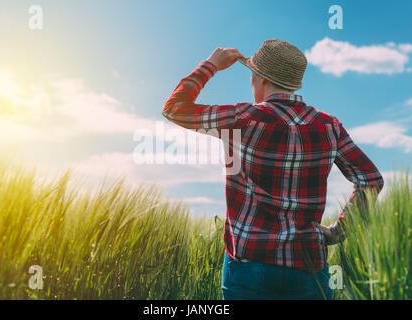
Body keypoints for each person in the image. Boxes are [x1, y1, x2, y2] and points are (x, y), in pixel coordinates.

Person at [162, 39, 384, 300]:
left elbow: (175, 109)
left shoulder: (243, 118)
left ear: (259, 77)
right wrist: (337, 232)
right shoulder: (329, 127)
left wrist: (210, 65)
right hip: (308, 267)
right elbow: (371, 180)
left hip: (248, 267)